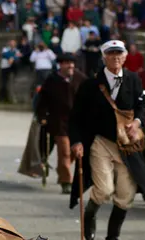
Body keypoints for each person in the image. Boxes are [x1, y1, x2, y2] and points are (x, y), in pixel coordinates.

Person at [69, 40, 145, 240]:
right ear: (104, 57)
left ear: (125, 57)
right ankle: (89, 215)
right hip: (100, 142)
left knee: (126, 193)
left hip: (127, 145)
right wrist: (77, 141)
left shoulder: (134, 79)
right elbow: (76, 116)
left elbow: (141, 105)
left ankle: (112, 237)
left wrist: (137, 123)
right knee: (104, 189)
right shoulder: (90, 84)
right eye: (111, 53)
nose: (115, 57)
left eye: (119, 53)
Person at [34, 52, 87, 194]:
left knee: (74, 152)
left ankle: (62, 169)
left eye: (72, 63)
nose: (71, 66)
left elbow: (89, 97)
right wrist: (42, 116)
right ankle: (66, 182)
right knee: (64, 152)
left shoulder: (80, 78)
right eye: (67, 63)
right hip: (59, 123)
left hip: (77, 122)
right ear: (61, 65)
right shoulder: (52, 80)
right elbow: (42, 101)